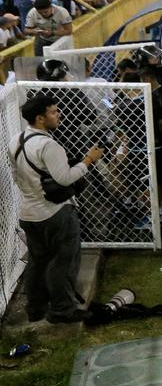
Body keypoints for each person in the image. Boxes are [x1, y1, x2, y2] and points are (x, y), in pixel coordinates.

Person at [14, 95, 103, 323]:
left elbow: (18, 176)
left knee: (38, 262)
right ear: (40, 118)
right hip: (55, 212)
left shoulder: (16, 141)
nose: (59, 115)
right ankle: (62, 310)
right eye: (54, 112)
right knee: (63, 261)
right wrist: (87, 161)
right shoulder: (48, 145)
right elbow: (64, 179)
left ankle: (35, 309)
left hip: (29, 212)